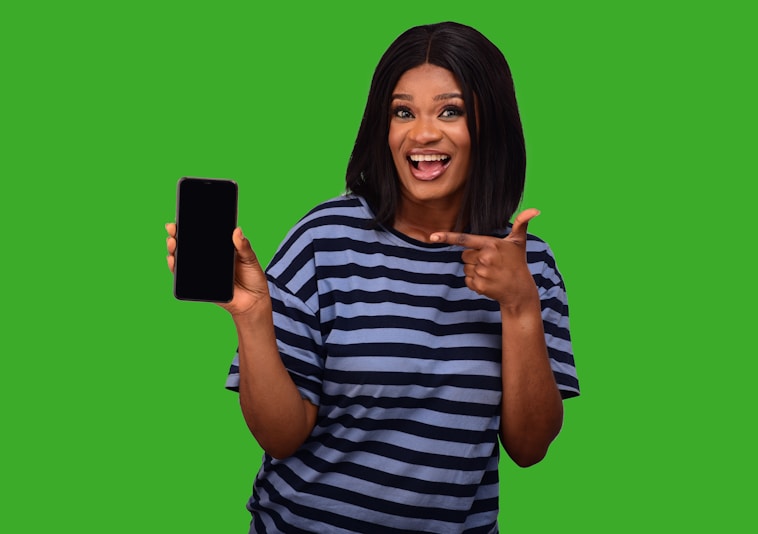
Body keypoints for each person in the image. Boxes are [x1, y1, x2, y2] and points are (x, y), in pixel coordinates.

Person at [166, 21, 579, 534]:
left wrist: (520, 308)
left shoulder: (530, 264)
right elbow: (282, 438)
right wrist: (252, 317)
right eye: (402, 112)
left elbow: (530, 447)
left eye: (450, 111)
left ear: (489, 123)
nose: (422, 133)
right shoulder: (323, 238)